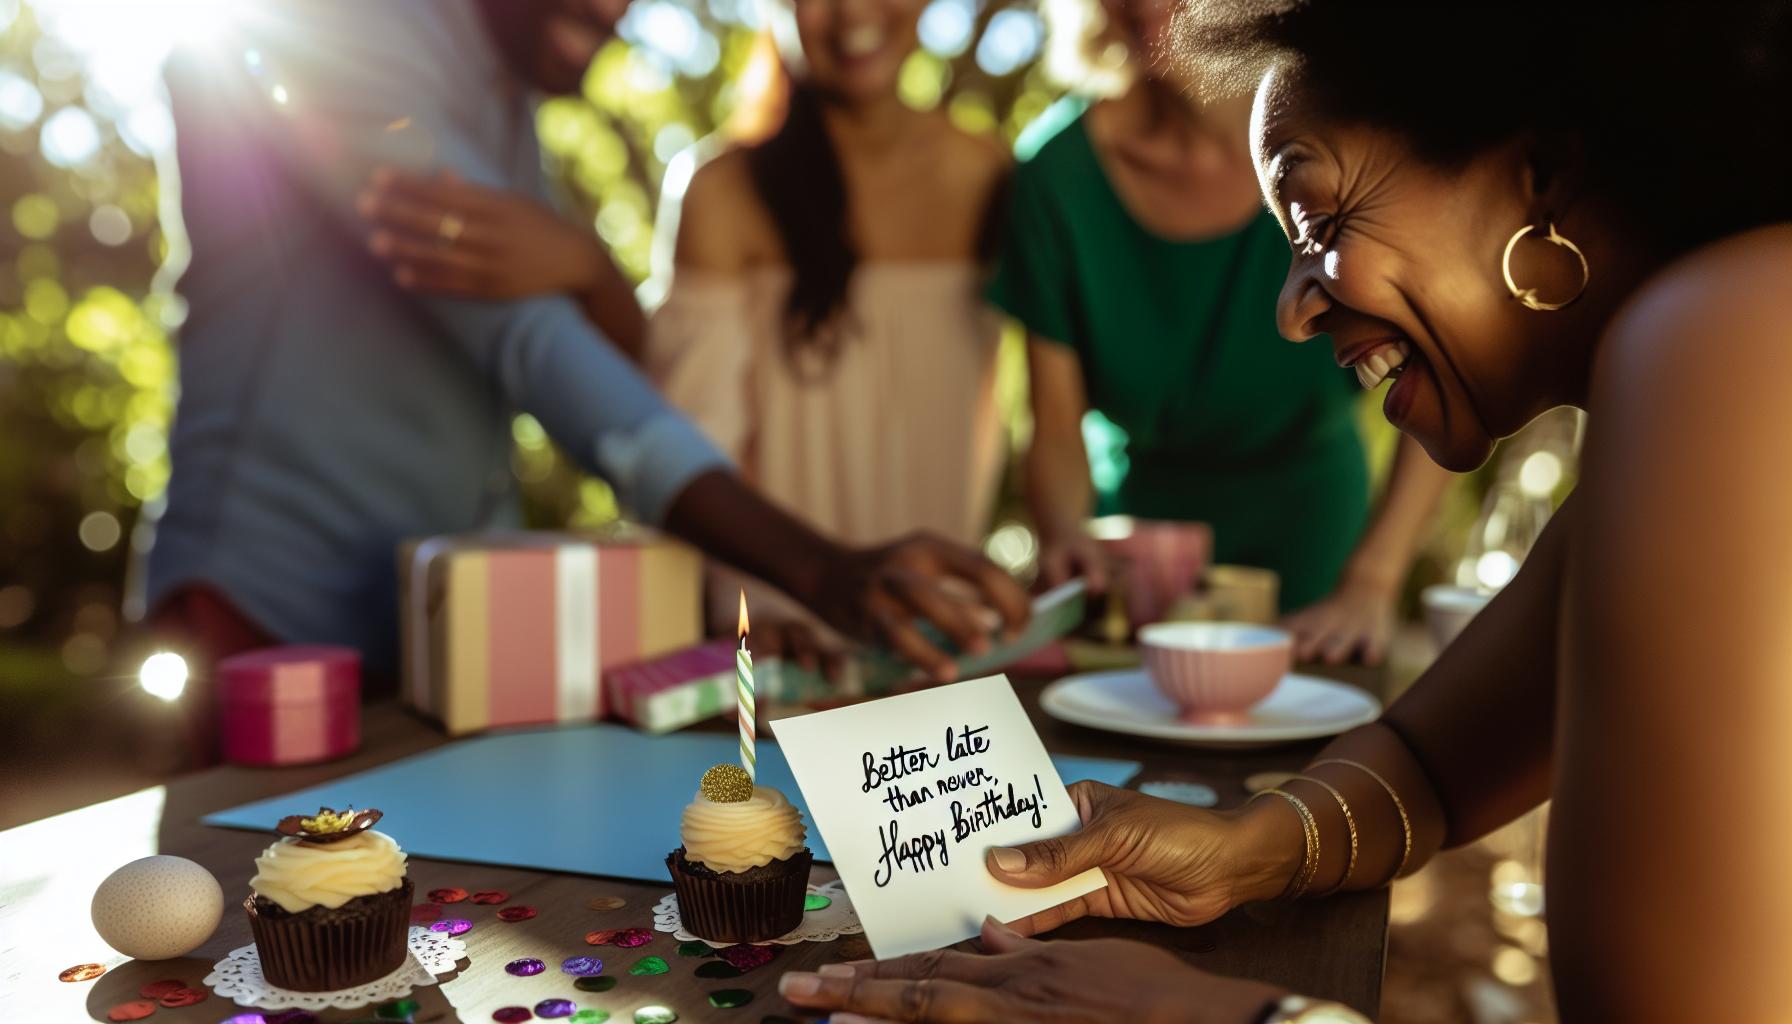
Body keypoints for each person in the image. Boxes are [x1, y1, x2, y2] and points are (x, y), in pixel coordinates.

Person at [776, 0, 1792, 1020]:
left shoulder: (1721, 338)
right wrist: (1236, 852)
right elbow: (1432, 767)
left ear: (1544, 175)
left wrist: (1225, 1013)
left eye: (1321, 223)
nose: (1291, 310)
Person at [146, 0, 1029, 708]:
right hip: (271, 603)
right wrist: (819, 567)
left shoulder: (504, 99)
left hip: (435, 617)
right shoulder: (339, 35)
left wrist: (593, 274)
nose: (615, 9)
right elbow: (532, 342)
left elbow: (642, 372)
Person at [991, 0, 1452, 663]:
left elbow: (1445, 369)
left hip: (1318, 550)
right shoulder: (1055, 177)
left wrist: (1372, 581)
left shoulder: (1347, 129)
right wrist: (1066, 538)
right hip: (1141, 576)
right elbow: (1055, 428)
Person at [630, 2, 1009, 659]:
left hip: (941, 643)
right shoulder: (721, 190)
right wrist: (748, 613)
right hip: (782, 641)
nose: (852, 11)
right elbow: (691, 442)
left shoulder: (993, 175)